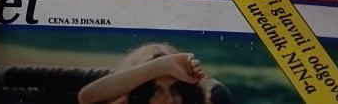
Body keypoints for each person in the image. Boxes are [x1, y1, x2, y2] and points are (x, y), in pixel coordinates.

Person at [78, 43, 234, 104]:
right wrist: (162, 66)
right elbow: (87, 98)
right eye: (157, 90)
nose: (169, 100)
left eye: (175, 89)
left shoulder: (216, 95)